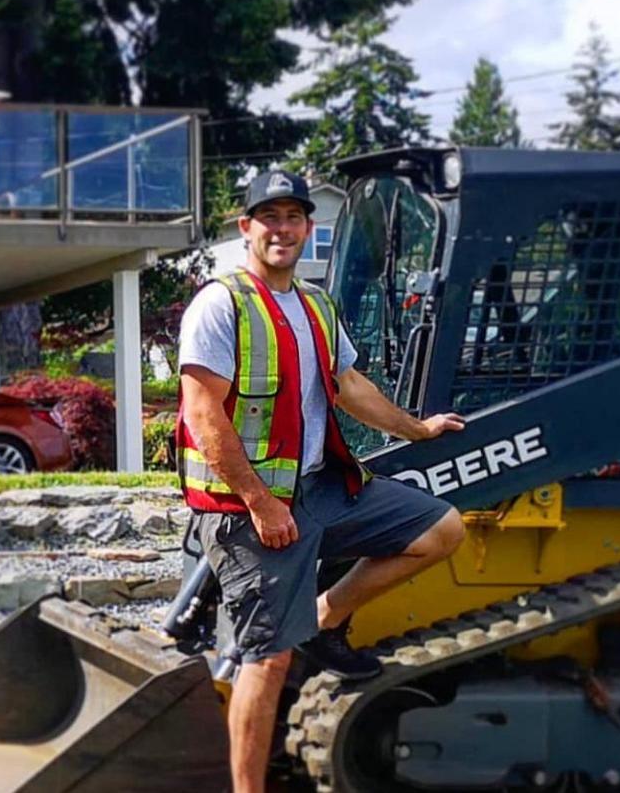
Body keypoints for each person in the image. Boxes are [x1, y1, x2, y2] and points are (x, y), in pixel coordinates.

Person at [175, 169, 466, 793]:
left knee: (441, 529)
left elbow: (349, 387)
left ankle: (324, 617)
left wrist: (417, 430)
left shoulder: (314, 304)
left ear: (309, 227)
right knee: (268, 656)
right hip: (246, 508)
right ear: (245, 226)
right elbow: (203, 414)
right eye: (269, 217)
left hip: (320, 488)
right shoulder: (220, 303)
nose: (282, 229)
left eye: (293, 217)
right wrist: (260, 504)